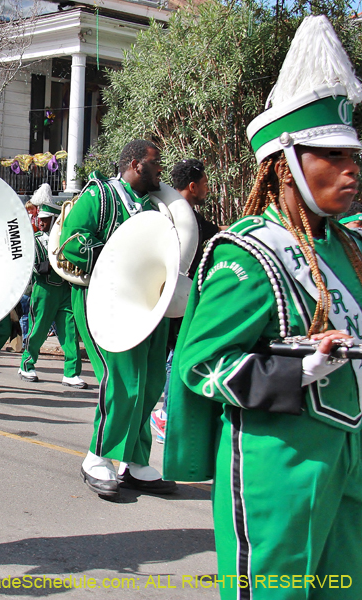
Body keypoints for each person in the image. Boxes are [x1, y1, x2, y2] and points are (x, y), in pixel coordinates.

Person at [165, 16, 362, 597]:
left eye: (354, 155)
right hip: (278, 463)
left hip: (350, 456)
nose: (351, 169)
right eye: (331, 155)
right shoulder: (249, 254)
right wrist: (298, 370)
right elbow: (199, 365)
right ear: (285, 163)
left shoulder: (350, 247)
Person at [61, 139, 177, 500]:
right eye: (155, 162)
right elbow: (71, 243)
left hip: (145, 303)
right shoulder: (99, 197)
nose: (161, 169)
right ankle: (97, 456)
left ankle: (134, 460)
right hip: (103, 302)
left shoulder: (155, 205)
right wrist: (118, 257)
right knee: (123, 381)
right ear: (134, 163)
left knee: (151, 380)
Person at [150, 158, 221, 443]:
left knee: (173, 356)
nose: (207, 189)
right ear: (192, 186)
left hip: (182, 298)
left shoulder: (195, 219)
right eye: (204, 184)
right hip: (169, 298)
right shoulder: (168, 215)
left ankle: (167, 412)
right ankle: (164, 415)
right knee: (172, 356)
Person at [18, 183, 86, 389]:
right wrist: (44, 266)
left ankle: (71, 372)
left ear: (55, 220)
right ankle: (27, 365)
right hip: (44, 290)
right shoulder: (35, 240)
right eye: (41, 220)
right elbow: (32, 265)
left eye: (46, 221)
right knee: (38, 330)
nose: (41, 224)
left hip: (65, 290)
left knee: (69, 331)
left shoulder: (67, 239)